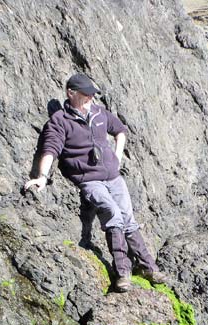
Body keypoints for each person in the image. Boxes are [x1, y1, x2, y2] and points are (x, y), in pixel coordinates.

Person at [25, 72, 166, 292]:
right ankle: (123, 273)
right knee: (113, 213)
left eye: (92, 94)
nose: (91, 98)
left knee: (129, 219)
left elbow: (120, 131)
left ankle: (149, 267)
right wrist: (42, 177)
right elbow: (50, 149)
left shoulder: (100, 113)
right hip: (90, 180)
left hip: (113, 176)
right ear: (70, 93)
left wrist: (117, 158)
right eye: (86, 94)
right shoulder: (60, 121)